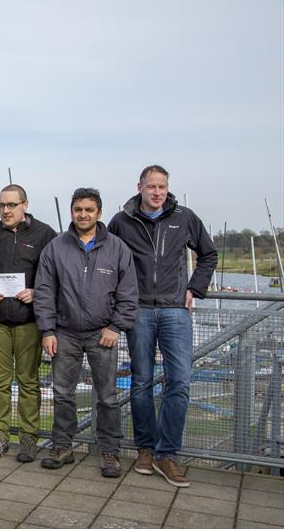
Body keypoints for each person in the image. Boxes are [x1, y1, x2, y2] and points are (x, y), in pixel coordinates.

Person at [108, 165, 217, 487]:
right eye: (151, 186)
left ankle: (166, 454)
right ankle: (144, 448)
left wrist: (195, 288)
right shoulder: (121, 221)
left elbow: (208, 255)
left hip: (175, 311)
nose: (157, 192)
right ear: (139, 186)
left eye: (162, 187)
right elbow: (109, 261)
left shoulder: (185, 217)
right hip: (138, 310)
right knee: (141, 382)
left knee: (180, 381)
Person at [34, 188, 138, 478]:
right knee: (62, 393)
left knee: (107, 396)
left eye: (88, 210)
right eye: (78, 209)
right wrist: (47, 330)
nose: (83, 214)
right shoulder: (56, 248)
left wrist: (117, 326)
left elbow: (128, 292)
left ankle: (109, 451)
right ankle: (62, 445)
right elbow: (44, 291)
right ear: (72, 212)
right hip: (64, 333)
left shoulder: (117, 248)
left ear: (98, 213)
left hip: (102, 333)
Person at [0, 184, 57, 461]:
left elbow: (54, 275)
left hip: (29, 320)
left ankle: (28, 437)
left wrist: (37, 292)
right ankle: (0, 435)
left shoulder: (45, 235)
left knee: (28, 381)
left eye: (11, 205)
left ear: (25, 204)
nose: (6, 210)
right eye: (2, 205)